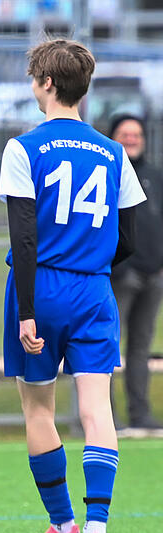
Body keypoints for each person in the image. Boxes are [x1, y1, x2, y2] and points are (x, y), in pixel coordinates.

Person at [0, 40, 145, 533]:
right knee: (96, 408)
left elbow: (23, 238)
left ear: (47, 85)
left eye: (34, 78)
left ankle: (62, 525)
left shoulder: (24, 147)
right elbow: (129, 236)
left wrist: (30, 310)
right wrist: (92, 265)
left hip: (41, 288)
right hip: (93, 288)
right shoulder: (112, 151)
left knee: (39, 407)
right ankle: (97, 527)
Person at [108, 114, 163, 432]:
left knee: (141, 349)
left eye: (136, 133)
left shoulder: (155, 175)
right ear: (114, 137)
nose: (132, 139)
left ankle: (141, 415)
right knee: (106, 348)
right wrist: (121, 265)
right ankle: (106, 420)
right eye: (125, 133)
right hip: (120, 277)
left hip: (153, 276)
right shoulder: (109, 173)